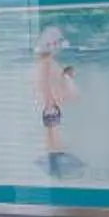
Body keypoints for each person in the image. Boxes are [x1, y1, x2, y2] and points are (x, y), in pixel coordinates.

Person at [33, 24, 77, 174]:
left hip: (49, 104)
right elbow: (46, 85)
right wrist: (51, 101)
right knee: (53, 130)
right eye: (55, 44)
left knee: (51, 130)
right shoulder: (47, 64)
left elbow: (46, 84)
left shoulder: (45, 64)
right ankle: (55, 156)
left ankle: (53, 155)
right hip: (50, 104)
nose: (56, 47)